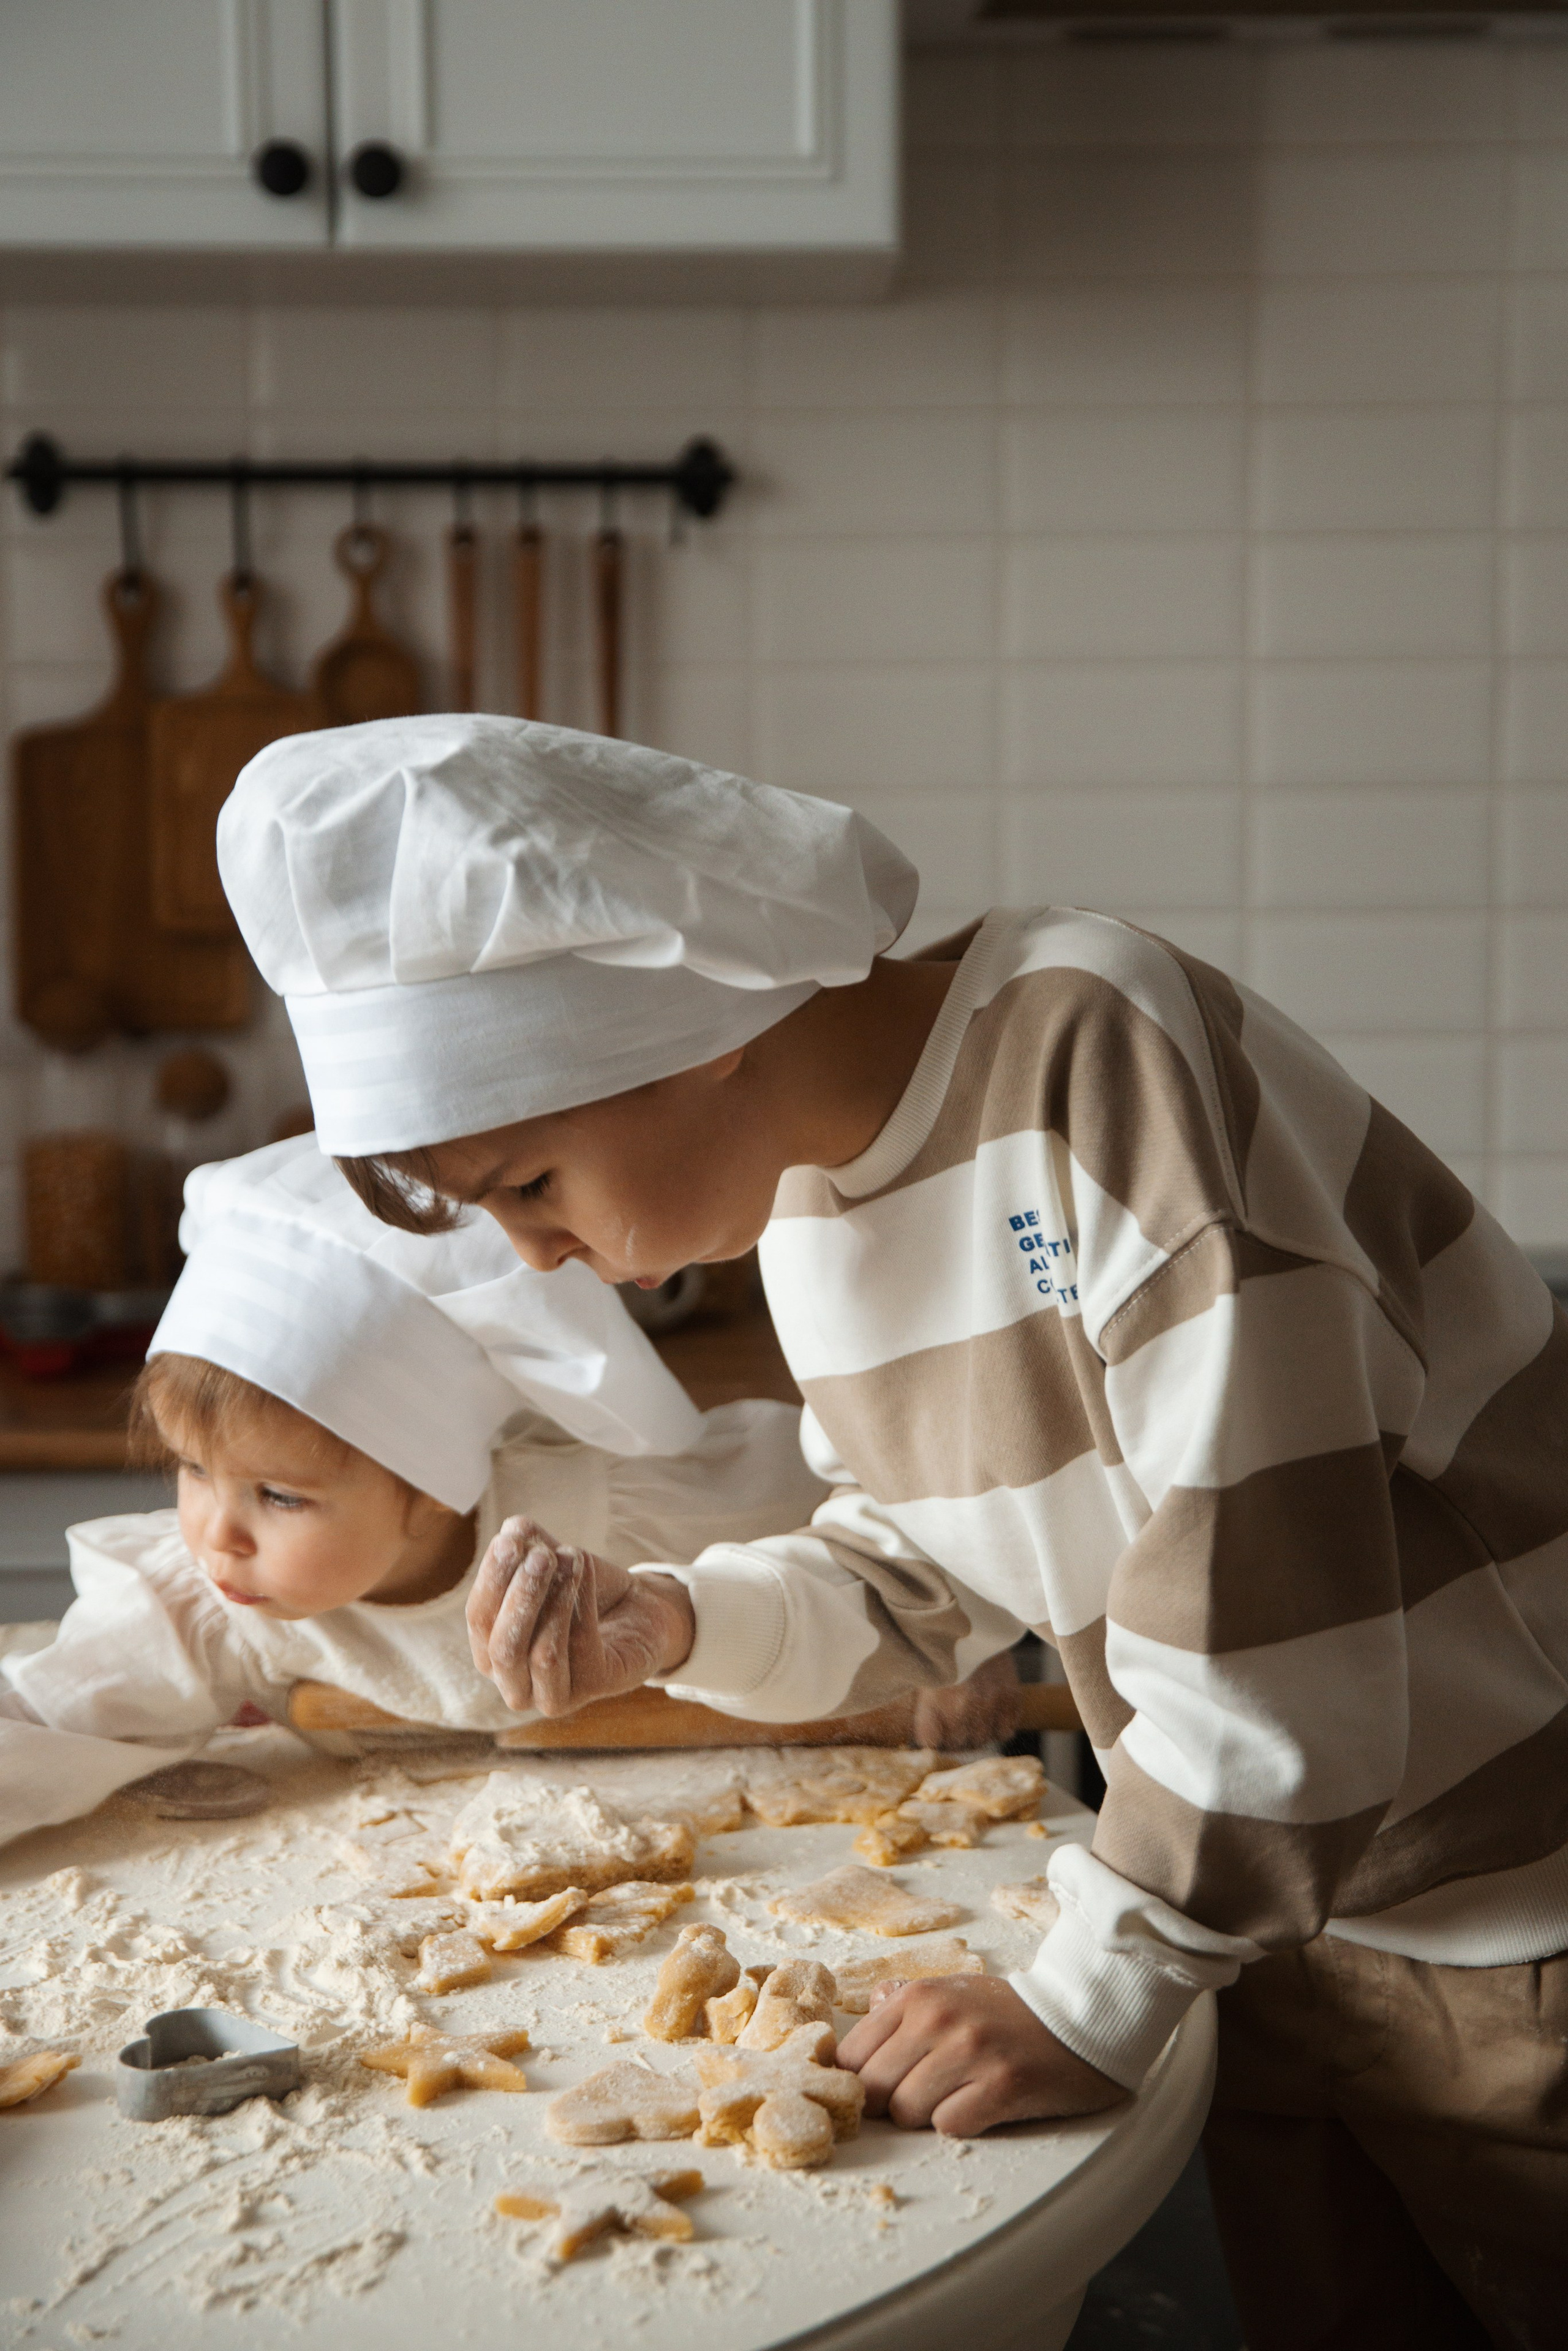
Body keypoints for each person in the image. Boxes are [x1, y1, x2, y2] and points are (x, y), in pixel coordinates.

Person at [219, 714, 1568, 2347]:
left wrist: (1094, 1989)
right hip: (1266, 1920)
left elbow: (1275, 1618)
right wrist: (680, 1622)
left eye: (530, 1182)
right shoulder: (812, 1198)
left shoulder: (1094, 1055)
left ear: (681, 1025)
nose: (541, 1258)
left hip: (1513, 1925)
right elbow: (922, 1570)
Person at [0, 1132, 827, 1847]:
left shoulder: (606, 1522)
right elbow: (44, 1715)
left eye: (279, 1496)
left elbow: (849, 1517)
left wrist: (933, 1664)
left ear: (437, 1486)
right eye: (192, 1468)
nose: (218, 1535)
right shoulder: (220, 1604)